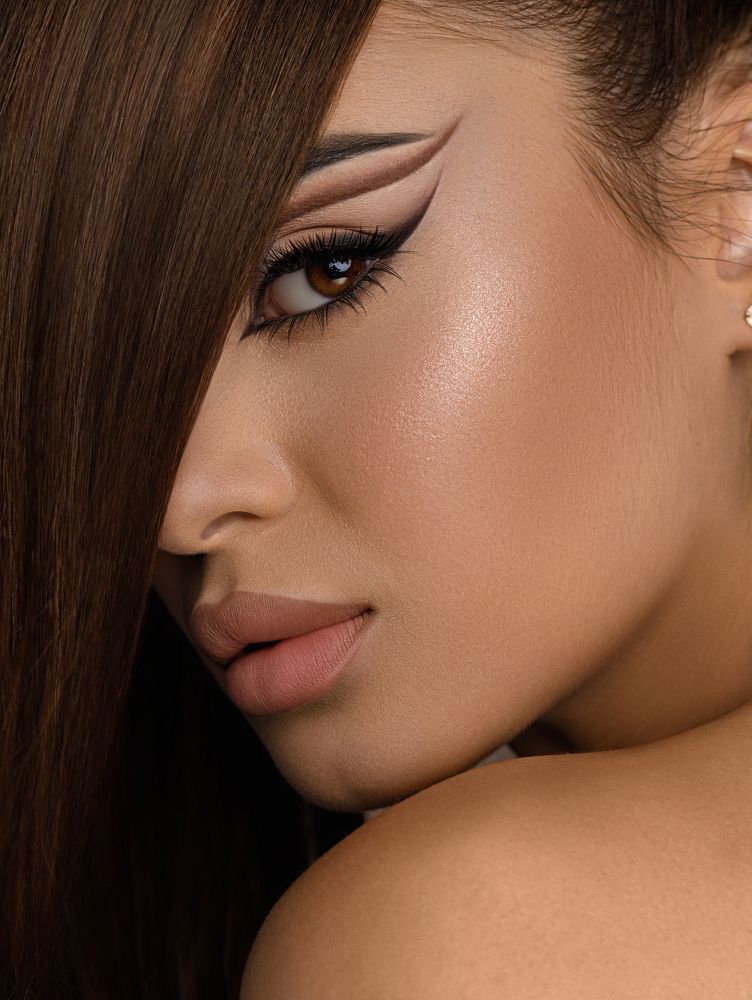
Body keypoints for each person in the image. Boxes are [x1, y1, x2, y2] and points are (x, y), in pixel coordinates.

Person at [5, 0, 752, 997]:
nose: (176, 507)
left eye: (324, 274)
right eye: (107, 368)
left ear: (735, 197)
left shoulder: (465, 943)